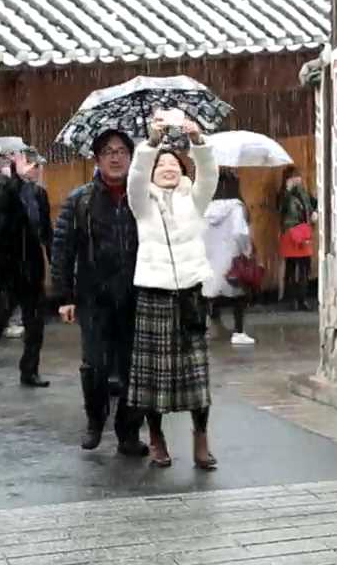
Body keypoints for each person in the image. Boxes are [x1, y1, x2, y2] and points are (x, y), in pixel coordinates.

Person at [126, 112, 219, 469]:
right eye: (160, 164)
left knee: (197, 375)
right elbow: (135, 176)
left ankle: (201, 438)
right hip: (154, 295)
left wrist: (198, 142)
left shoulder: (193, 200)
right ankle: (156, 437)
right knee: (154, 377)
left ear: (182, 170)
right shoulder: (141, 204)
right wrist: (151, 142)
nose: (167, 168)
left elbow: (208, 175)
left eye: (173, 164)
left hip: (190, 295)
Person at [51, 129, 150, 455]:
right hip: (94, 297)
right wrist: (64, 296)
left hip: (136, 295)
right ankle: (95, 419)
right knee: (94, 365)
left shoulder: (143, 197)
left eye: (122, 151)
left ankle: (128, 432)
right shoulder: (80, 199)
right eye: (108, 151)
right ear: (97, 159)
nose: (115, 157)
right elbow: (62, 248)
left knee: (135, 368)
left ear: (131, 157)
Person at [0, 149, 52, 388]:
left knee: (35, 324)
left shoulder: (39, 194)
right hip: (5, 266)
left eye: (36, 166)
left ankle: (30, 370)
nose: (34, 170)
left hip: (32, 265)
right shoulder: (3, 190)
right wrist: (17, 178)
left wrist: (54, 260)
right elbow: (3, 214)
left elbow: (45, 229)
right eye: (30, 166)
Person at [202, 169, 255, 345]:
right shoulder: (236, 207)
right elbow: (240, 233)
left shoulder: (205, 207)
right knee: (238, 295)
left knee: (211, 292)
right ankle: (238, 332)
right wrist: (246, 250)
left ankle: (212, 326)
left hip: (211, 257)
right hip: (232, 257)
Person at [276, 166, 317, 311]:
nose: (297, 179)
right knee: (291, 267)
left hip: (303, 232)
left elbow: (313, 205)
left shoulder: (304, 193)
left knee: (305, 266)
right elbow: (280, 209)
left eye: (298, 176)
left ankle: (302, 298)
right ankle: (292, 299)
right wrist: (287, 191)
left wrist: (315, 212)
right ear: (287, 179)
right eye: (293, 177)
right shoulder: (284, 194)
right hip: (290, 233)